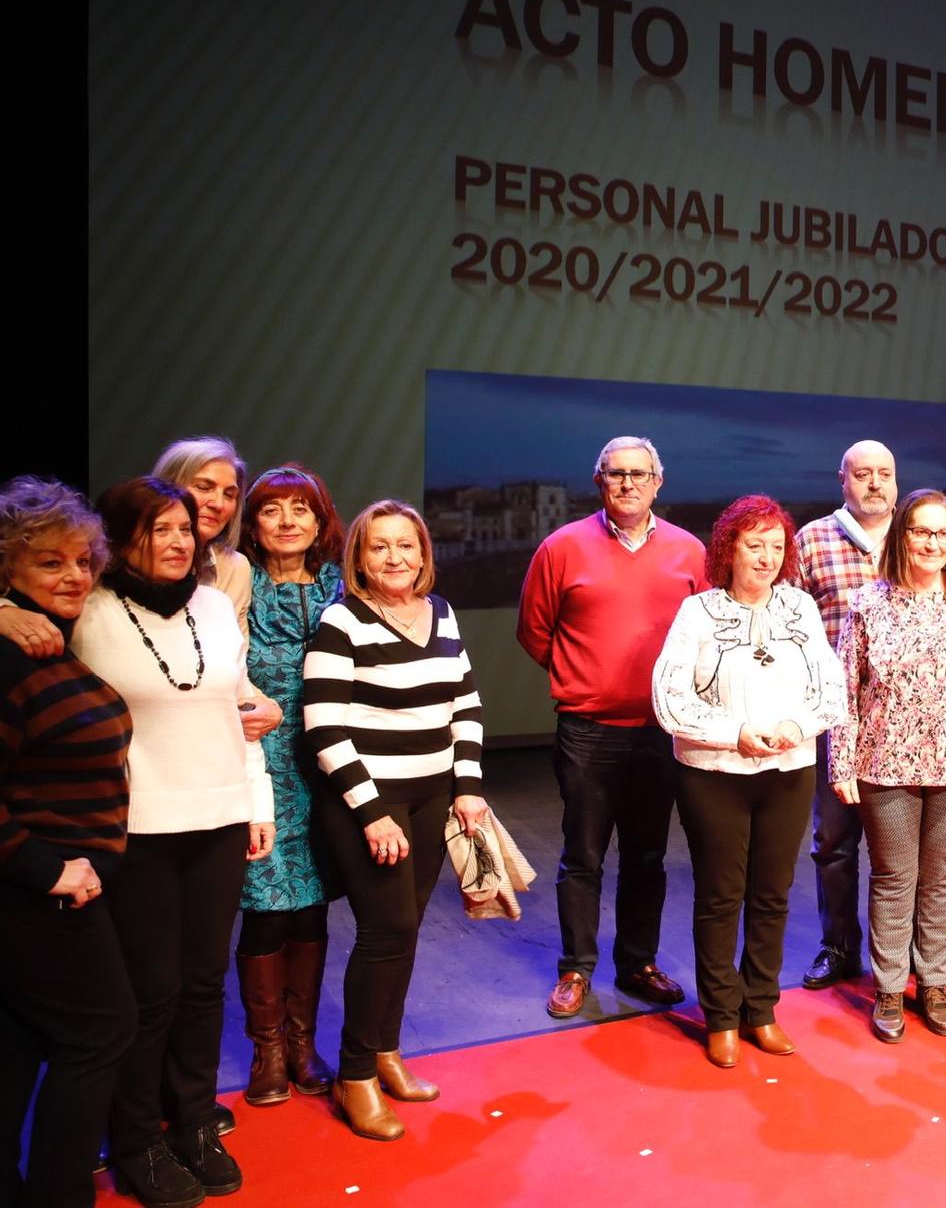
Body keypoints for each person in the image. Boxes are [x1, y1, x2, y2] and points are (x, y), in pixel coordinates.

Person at [71, 478, 273, 1203]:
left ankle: (190, 1118)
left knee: (202, 983)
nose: (180, 539)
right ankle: (135, 1139)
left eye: (186, 527)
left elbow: (239, 704)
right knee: (149, 992)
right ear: (122, 536)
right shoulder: (89, 609)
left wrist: (258, 798)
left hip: (218, 813)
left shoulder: (216, 605)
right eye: (160, 527)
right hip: (137, 826)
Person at [303, 501, 487, 1140]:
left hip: (434, 795)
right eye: (379, 547)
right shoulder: (341, 621)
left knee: (403, 935)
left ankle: (385, 1054)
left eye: (406, 545)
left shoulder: (440, 612)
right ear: (359, 556)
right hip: (367, 805)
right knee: (387, 931)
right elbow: (324, 725)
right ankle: (354, 1076)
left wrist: (468, 787)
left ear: (423, 552)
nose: (395, 558)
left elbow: (465, 703)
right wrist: (373, 812)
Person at [651, 496, 843, 1069]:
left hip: (788, 771)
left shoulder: (802, 609)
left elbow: (830, 692)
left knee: (772, 894)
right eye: (753, 544)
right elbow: (669, 698)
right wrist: (735, 731)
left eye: (776, 546)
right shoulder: (698, 613)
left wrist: (794, 725)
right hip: (715, 774)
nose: (765, 556)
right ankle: (721, 1016)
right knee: (719, 896)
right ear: (728, 548)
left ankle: (761, 1008)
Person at [517, 436, 703, 1021]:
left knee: (647, 857)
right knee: (583, 856)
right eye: (616, 474)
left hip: (660, 731)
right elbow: (535, 632)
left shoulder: (690, 552)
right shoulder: (560, 547)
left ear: (658, 482)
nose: (628, 483)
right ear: (599, 482)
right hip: (588, 730)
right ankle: (576, 968)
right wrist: (585, 678)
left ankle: (636, 964)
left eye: (639, 473)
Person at [828, 489, 946, 1044]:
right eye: (919, 531)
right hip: (884, 766)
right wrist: (841, 763)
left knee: (942, 879)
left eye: (941, 533)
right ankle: (888, 987)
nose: (930, 542)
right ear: (901, 535)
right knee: (893, 878)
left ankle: (932, 980)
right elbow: (846, 692)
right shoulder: (867, 604)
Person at [0, 479, 135, 1208]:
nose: (75, 575)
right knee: (100, 1032)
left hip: (57, 886)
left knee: (21, 1038)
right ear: (7, 569)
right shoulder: (11, 651)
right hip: (39, 891)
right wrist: (43, 865)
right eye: (50, 562)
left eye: (83, 559)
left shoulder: (47, 640)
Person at [233, 466, 344, 1108]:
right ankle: (267, 1049)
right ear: (253, 523)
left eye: (301, 508)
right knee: (263, 906)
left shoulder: (338, 583)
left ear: (320, 520)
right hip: (256, 763)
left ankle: (302, 1045)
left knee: (312, 906)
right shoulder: (233, 582)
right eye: (272, 510)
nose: (287, 521)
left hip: (325, 763)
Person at [793, 439, 898, 990]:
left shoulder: (918, 536)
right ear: (843, 480)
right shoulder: (810, 540)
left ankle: (905, 952)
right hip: (835, 719)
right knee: (833, 842)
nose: (874, 483)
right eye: (863, 474)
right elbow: (786, 624)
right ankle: (838, 948)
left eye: (884, 473)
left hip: (905, 723)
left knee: (900, 844)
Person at [151, 437, 253, 634]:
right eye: (203, 488)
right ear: (166, 487)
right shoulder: (125, 559)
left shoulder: (234, 568)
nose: (218, 504)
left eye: (229, 495)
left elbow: (235, 659)